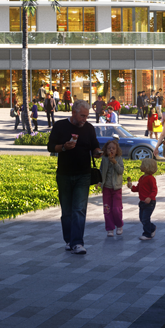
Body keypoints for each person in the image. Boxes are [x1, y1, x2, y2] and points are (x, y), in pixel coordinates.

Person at [47, 100, 101, 254]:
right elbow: (50, 147)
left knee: (79, 209)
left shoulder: (89, 128)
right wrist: (64, 147)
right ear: (73, 113)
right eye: (82, 116)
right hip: (64, 174)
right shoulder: (60, 126)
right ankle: (69, 240)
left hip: (83, 174)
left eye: (87, 116)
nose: (85, 119)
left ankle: (77, 243)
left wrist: (97, 152)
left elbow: (94, 146)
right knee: (67, 211)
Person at [130, 159, 159, 240]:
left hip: (150, 202)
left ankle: (147, 234)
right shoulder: (142, 178)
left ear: (147, 167)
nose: (140, 166)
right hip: (142, 202)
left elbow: (154, 190)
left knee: (145, 218)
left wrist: (150, 197)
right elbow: (138, 188)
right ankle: (152, 227)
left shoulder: (151, 178)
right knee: (142, 218)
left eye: (142, 165)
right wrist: (132, 187)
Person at [101, 139, 125, 239]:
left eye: (113, 148)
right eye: (109, 148)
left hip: (116, 188)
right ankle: (110, 228)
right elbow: (102, 171)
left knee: (116, 209)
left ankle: (119, 225)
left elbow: (121, 171)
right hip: (106, 188)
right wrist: (99, 182)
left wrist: (114, 162)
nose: (111, 150)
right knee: (107, 209)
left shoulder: (119, 159)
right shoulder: (104, 159)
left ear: (117, 150)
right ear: (105, 150)